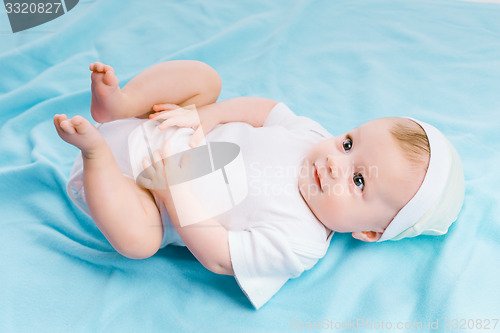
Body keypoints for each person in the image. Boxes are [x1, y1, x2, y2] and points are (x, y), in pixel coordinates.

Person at [53, 60, 465, 309]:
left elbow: (218, 255)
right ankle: (120, 105)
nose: (335, 163)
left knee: (138, 240)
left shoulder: (298, 242)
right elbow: (266, 109)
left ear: (370, 231)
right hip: (162, 121)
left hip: (134, 189)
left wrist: (170, 190)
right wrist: (204, 117)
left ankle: (94, 154)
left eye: (358, 180)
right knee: (205, 79)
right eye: (348, 142)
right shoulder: (309, 136)